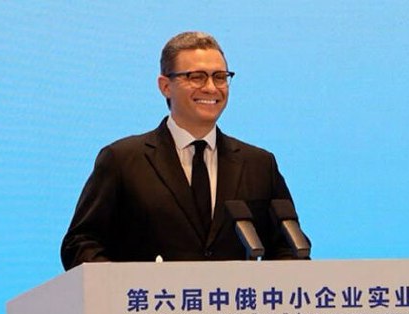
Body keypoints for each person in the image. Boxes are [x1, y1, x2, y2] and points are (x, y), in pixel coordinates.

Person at [60, 31, 306, 270]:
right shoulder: (122, 160)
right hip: (150, 298)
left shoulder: (259, 164)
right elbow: (80, 244)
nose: (211, 88)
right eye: (196, 77)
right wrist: (119, 286)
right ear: (165, 86)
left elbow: (288, 248)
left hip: (233, 299)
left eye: (220, 77)